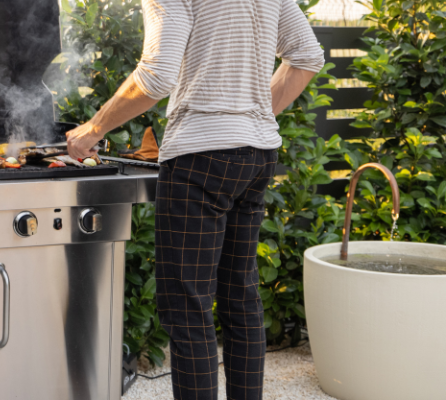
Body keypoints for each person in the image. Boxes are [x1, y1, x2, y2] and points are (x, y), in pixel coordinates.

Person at [64, 0, 325, 399]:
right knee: (240, 294)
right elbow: (307, 57)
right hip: (257, 157)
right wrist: (248, 118)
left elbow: (156, 75)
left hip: (201, 158)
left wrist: (92, 130)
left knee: (189, 306)